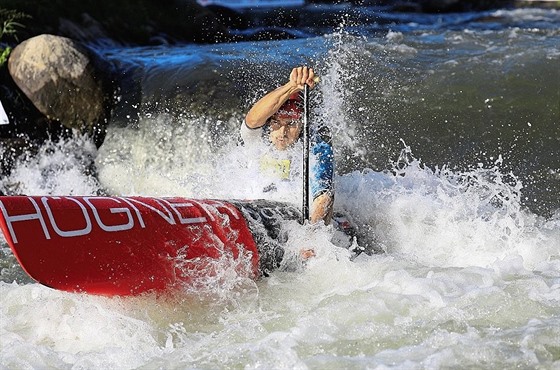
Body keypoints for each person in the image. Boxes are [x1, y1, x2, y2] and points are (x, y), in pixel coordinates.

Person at [240, 66, 334, 225]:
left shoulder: (314, 146)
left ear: (302, 125)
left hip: (293, 212)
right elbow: (252, 119)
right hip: (254, 205)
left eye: (291, 124)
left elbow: (323, 198)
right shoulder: (258, 136)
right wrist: (292, 86)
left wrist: (310, 237)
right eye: (276, 122)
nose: (282, 133)